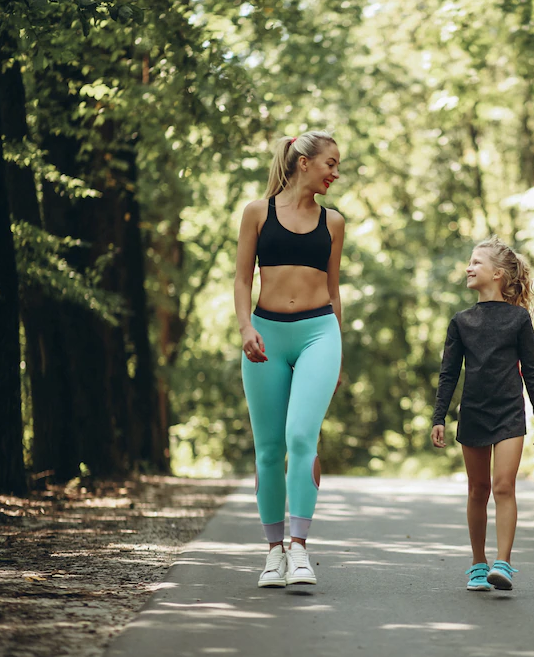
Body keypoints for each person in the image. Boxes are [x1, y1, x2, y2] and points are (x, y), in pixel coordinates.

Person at [234, 131, 344, 587]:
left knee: (302, 437)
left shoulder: (333, 222)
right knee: (269, 450)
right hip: (267, 336)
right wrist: (246, 328)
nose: (336, 173)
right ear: (303, 162)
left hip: (320, 334)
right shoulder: (257, 213)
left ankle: (299, 550)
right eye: (330, 164)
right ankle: (273, 553)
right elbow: (242, 280)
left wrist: (340, 357)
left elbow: (334, 290)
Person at [431, 236, 534, 592]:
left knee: (503, 486)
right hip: (474, 414)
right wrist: (439, 417)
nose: (469, 268)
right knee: (477, 490)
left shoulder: (518, 319)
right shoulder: (461, 321)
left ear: (497, 274)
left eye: (476, 263)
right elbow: (449, 373)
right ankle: (478, 564)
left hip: (510, 413)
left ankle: (504, 562)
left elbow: (532, 369)